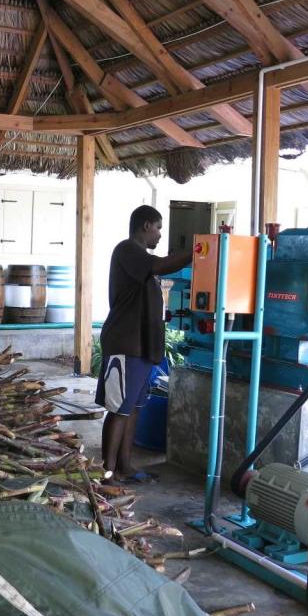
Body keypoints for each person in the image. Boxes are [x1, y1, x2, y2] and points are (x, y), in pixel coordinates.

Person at [95, 205, 191, 483]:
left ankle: (125, 466)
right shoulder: (127, 250)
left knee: (134, 409)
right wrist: (198, 251)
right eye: (158, 228)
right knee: (118, 409)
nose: (160, 234)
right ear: (146, 225)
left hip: (143, 347)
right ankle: (107, 472)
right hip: (125, 344)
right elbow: (160, 263)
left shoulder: (141, 260)